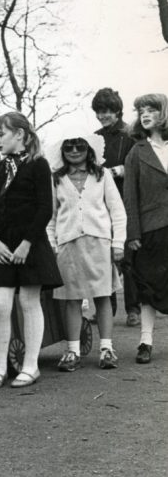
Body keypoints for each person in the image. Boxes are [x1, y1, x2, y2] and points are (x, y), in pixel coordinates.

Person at [0, 112, 62, 389]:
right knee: (0, 304)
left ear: (20, 134)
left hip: (30, 245)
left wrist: (27, 243)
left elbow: (45, 209)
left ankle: (31, 365)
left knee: (29, 302)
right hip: (3, 248)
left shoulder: (39, 166)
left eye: (1, 134)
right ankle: (1, 366)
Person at [46, 132, 126, 371]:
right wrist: (53, 243)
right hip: (68, 244)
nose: (73, 151)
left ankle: (107, 348)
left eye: (79, 146)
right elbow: (51, 217)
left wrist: (118, 243)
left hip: (99, 243)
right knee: (71, 299)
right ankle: (72, 351)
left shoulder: (102, 176)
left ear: (89, 149)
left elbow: (117, 211)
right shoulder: (57, 179)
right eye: (68, 146)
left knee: (102, 296)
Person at [123, 93, 168, 364]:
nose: (145, 114)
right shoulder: (136, 152)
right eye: (141, 111)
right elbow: (130, 197)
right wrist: (133, 234)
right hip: (151, 229)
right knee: (150, 288)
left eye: (151, 109)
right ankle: (145, 342)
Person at [91, 87, 139, 326]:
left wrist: (121, 170)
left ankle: (134, 309)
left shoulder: (131, 133)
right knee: (102, 257)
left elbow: (140, 164)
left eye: (108, 111)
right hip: (101, 203)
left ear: (118, 110)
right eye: (99, 111)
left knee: (127, 257)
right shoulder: (95, 137)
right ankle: (105, 308)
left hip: (126, 199)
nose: (103, 115)